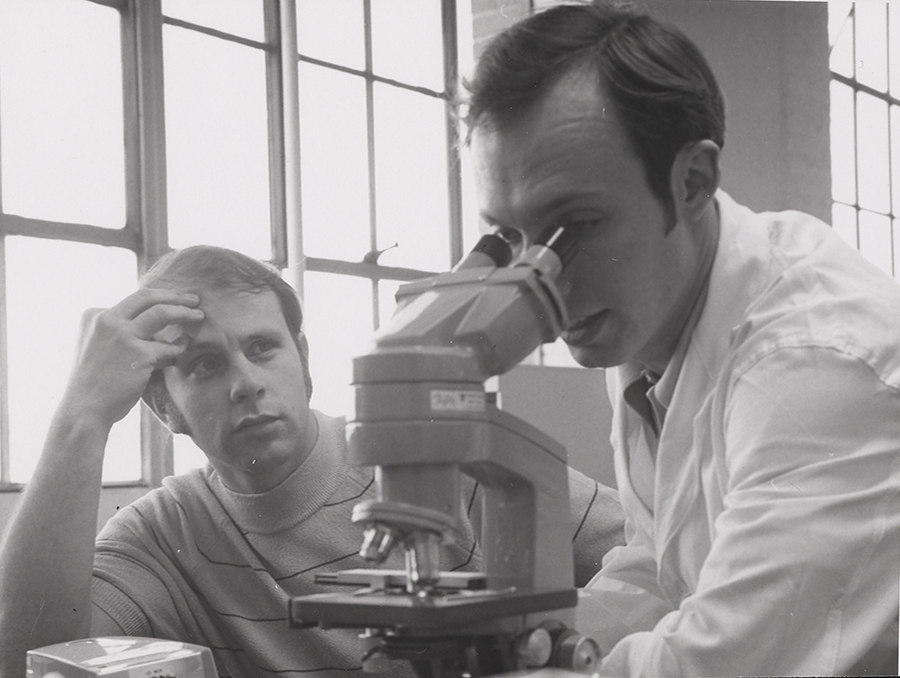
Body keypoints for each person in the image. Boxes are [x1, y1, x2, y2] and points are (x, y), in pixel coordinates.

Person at [464, 1, 900, 676]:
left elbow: (724, 662)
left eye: (571, 227)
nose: (540, 281)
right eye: (510, 237)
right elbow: (667, 563)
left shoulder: (816, 363)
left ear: (691, 181)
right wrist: (553, 628)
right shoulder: (650, 314)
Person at [0, 245, 626, 676]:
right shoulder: (162, 540)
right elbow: (34, 658)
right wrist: (80, 417)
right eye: (205, 365)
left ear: (304, 361)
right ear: (166, 409)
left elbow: (663, 566)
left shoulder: (454, 459)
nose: (245, 381)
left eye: (262, 347)